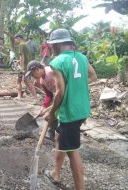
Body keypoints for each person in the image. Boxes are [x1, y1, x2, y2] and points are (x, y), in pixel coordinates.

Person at [43, 28, 97, 190]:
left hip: (70, 113)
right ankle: (55, 173)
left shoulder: (57, 62)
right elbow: (93, 76)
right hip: (82, 109)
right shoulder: (81, 57)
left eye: (52, 45)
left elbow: (60, 92)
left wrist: (51, 113)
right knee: (60, 138)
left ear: (57, 45)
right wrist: (77, 85)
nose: (51, 48)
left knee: (72, 151)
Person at [25, 61, 57, 140]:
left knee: (54, 114)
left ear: (37, 69)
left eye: (32, 74)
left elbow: (62, 87)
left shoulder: (50, 72)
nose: (32, 76)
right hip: (58, 96)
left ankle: (61, 138)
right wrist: (43, 107)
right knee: (52, 114)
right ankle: (52, 134)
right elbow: (49, 95)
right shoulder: (42, 80)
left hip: (67, 94)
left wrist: (51, 109)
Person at [14, 34, 38, 103]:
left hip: (25, 66)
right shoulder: (25, 44)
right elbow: (25, 56)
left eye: (15, 39)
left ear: (18, 38)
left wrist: (21, 68)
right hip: (28, 65)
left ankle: (34, 98)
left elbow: (22, 56)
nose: (15, 41)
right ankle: (20, 96)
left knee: (25, 81)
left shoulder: (21, 45)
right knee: (24, 81)